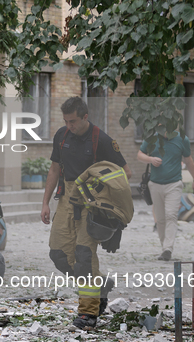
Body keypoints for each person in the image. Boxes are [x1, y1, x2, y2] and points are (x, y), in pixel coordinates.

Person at [40, 97, 132, 330]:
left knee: (83, 257)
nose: (69, 126)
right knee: (58, 254)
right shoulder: (61, 136)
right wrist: (45, 203)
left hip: (91, 205)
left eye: (73, 121)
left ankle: (87, 314)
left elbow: (125, 173)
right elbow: (54, 169)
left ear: (85, 117)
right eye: (66, 121)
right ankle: (100, 284)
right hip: (66, 200)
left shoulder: (101, 140)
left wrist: (100, 193)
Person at [137, 132, 194, 261]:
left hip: (174, 184)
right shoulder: (151, 138)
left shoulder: (182, 139)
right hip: (155, 184)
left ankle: (168, 249)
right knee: (160, 219)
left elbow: (188, 160)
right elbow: (139, 155)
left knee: (171, 215)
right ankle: (164, 247)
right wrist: (151, 159)